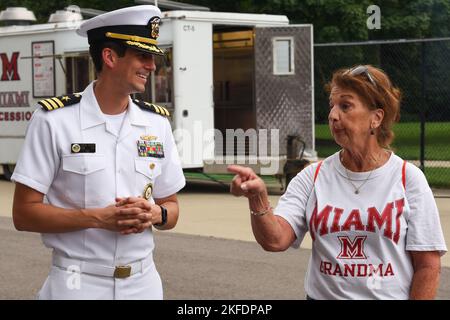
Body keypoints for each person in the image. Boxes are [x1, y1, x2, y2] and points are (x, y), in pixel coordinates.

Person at [11, 5, 185, 300]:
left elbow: (171, 207)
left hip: (143, 284)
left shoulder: (156, 123)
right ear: (110, 57)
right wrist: (97, 218)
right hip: (77, 282)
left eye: (153, 57)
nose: (152, 66)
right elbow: (24, 214)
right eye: (143, 56)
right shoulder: (55, 120)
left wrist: (156, 213)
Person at [228, 65, 447, 300]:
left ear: (376, 118)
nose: (333, 115)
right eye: (332, 105)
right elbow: (275, 240)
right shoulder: (313, 177)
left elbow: (428, 266)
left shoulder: (407, 179)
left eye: (345, 105)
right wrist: (258, 198)